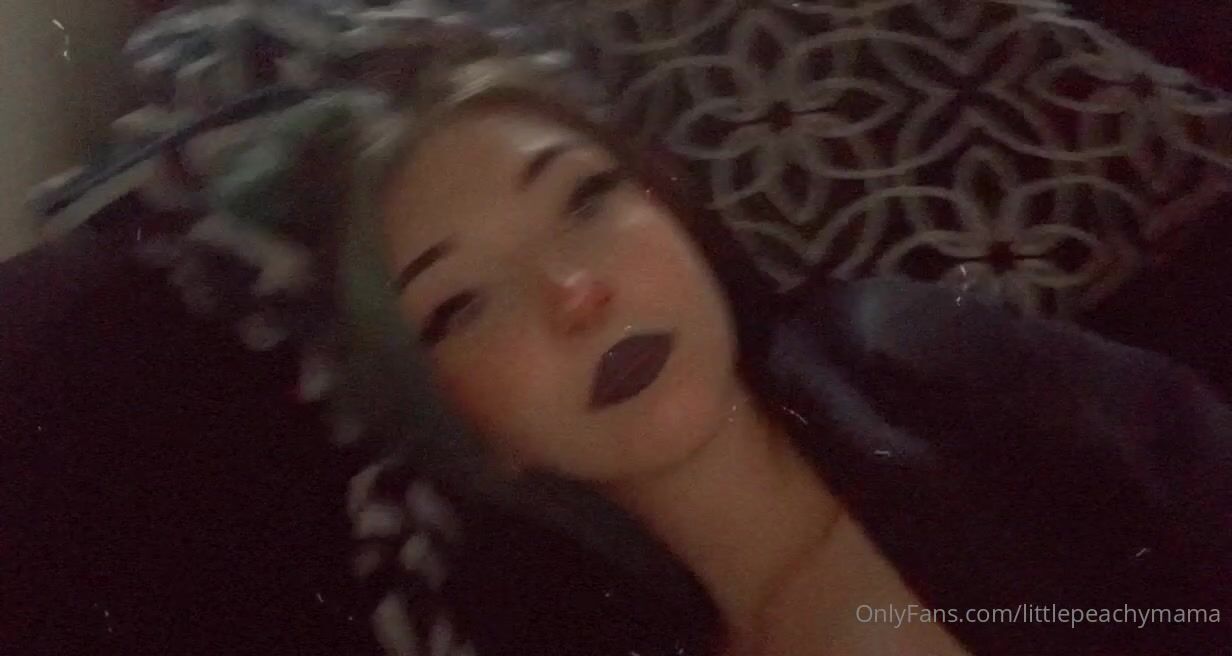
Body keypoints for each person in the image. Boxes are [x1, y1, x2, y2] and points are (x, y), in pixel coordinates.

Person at [328, 52, 1232, 656]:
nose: (574, 295)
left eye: (586, 199)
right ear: (461, 426)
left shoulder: (899, 352)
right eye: (462, 304)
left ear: (673, 211)